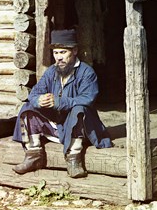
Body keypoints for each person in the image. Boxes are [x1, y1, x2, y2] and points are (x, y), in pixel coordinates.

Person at [12, 29, 112, 178]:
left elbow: (87, 98)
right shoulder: (51, 71)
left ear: (75, 51)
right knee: (28, 108)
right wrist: (39, 100)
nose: (59, 58)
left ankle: (73, 159)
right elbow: (34, 93)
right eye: (56, 53)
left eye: (63, 52)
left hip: (81, 128)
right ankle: (33, 155)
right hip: (57, 126)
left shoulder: (86, 72)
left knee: (78, 109)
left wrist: (59, 102)